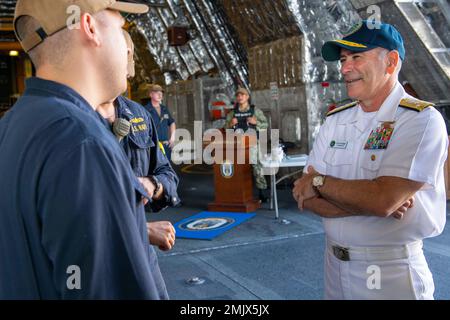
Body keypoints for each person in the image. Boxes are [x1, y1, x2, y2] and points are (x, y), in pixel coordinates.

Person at [0, 0, 169, 299]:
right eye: (121, 27)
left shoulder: (12, 127)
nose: (126, 46)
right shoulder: (82, 142)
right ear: (90, 27)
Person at [292, 20, 448, 299]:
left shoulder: (420, 120)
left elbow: (382, 200)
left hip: (391, 272)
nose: (344, 68)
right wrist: (370, 202)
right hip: (333, 268)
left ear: (390, 62)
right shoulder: (334, 121)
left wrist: (318, 182)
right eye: (342, 59)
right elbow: (306, 197)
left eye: (356, 57)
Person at [97, 30, 179, 251]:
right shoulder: (74, 119)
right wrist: (140, 230)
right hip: (96, 257)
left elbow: (167, 174)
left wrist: (152, 184)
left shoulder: (138, 114)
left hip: (141, 255)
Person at [225, 87, 269, 202]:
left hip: (253, 142)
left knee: (256, 166)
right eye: (238, 95)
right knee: (238, 167)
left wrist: (256, 122)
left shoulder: (255, 111)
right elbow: (225, 128)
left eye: (242, 95)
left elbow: (265, 125)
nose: (240, 97)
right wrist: (230, 123)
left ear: (247, 97)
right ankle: (239, 192)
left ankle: (262, 192)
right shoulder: (232, 113)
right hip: (237, 144)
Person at [143, 84, 176, 161]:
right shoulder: (145, 110)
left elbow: (172, 122)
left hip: (165, 145)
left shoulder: (164, 109)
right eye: (157, 92)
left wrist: (172, 137)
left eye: (161, 93)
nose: (160, 95)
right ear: (151, 94)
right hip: (153, 147)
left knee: (168, 169)